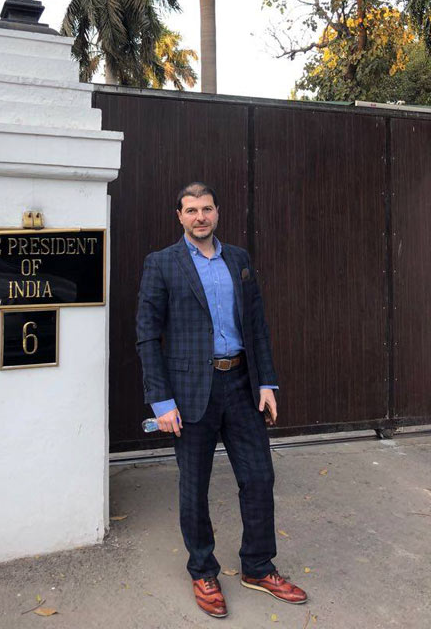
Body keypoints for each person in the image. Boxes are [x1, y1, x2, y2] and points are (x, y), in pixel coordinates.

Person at [136, 182, 307, 619]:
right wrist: (160, 401)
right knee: (194, 486)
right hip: (191, 393)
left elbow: (257, 325)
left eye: (206, 209)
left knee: (258, 479)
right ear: (179, 216)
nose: (200, 217)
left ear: (217, 212)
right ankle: (202, 569)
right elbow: (146, 337)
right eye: (191, 210)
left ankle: (257, 566)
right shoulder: (162, 264)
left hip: (241, 386)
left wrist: (267, 382)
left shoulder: (239, 260)